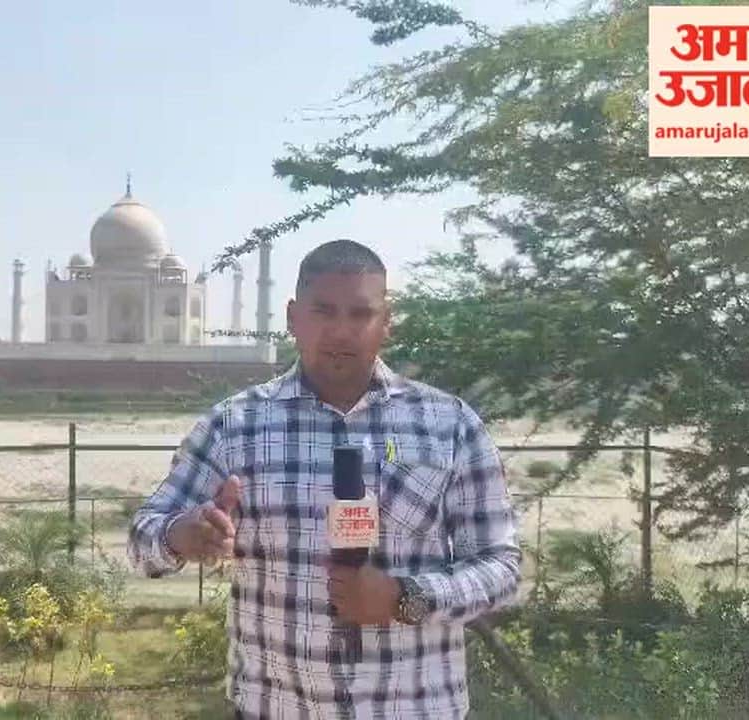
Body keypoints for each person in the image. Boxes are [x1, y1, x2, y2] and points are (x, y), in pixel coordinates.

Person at [128, 239, 522, 719]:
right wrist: (181, 534)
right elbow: (142, 540)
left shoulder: (449, 425)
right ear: (293, 318)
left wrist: (404, 598)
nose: (340, 331)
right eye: (323, 311)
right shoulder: (235, 426)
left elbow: (502, 568)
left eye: (360, 314)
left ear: (386, 321)